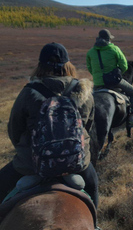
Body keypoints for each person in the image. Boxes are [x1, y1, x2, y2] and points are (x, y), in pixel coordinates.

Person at [0, 42, 99, 209]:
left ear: (41, 65)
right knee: (93, 185)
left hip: (30, 164)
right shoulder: (83, 91)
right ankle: (95, 224)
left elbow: (15, 130)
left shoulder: (29, 91)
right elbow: (87, 126)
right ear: (68, 65)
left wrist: (25, 149)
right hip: (75, 162)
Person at [86, 29, 133, 126]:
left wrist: (98, 76)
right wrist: (118, 73)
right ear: (108, 39)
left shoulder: (90, 52)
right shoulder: (114, 49)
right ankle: (132, 119)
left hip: (98, 83)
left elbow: (90, 68)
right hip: (114, 82)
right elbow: (124, 66)